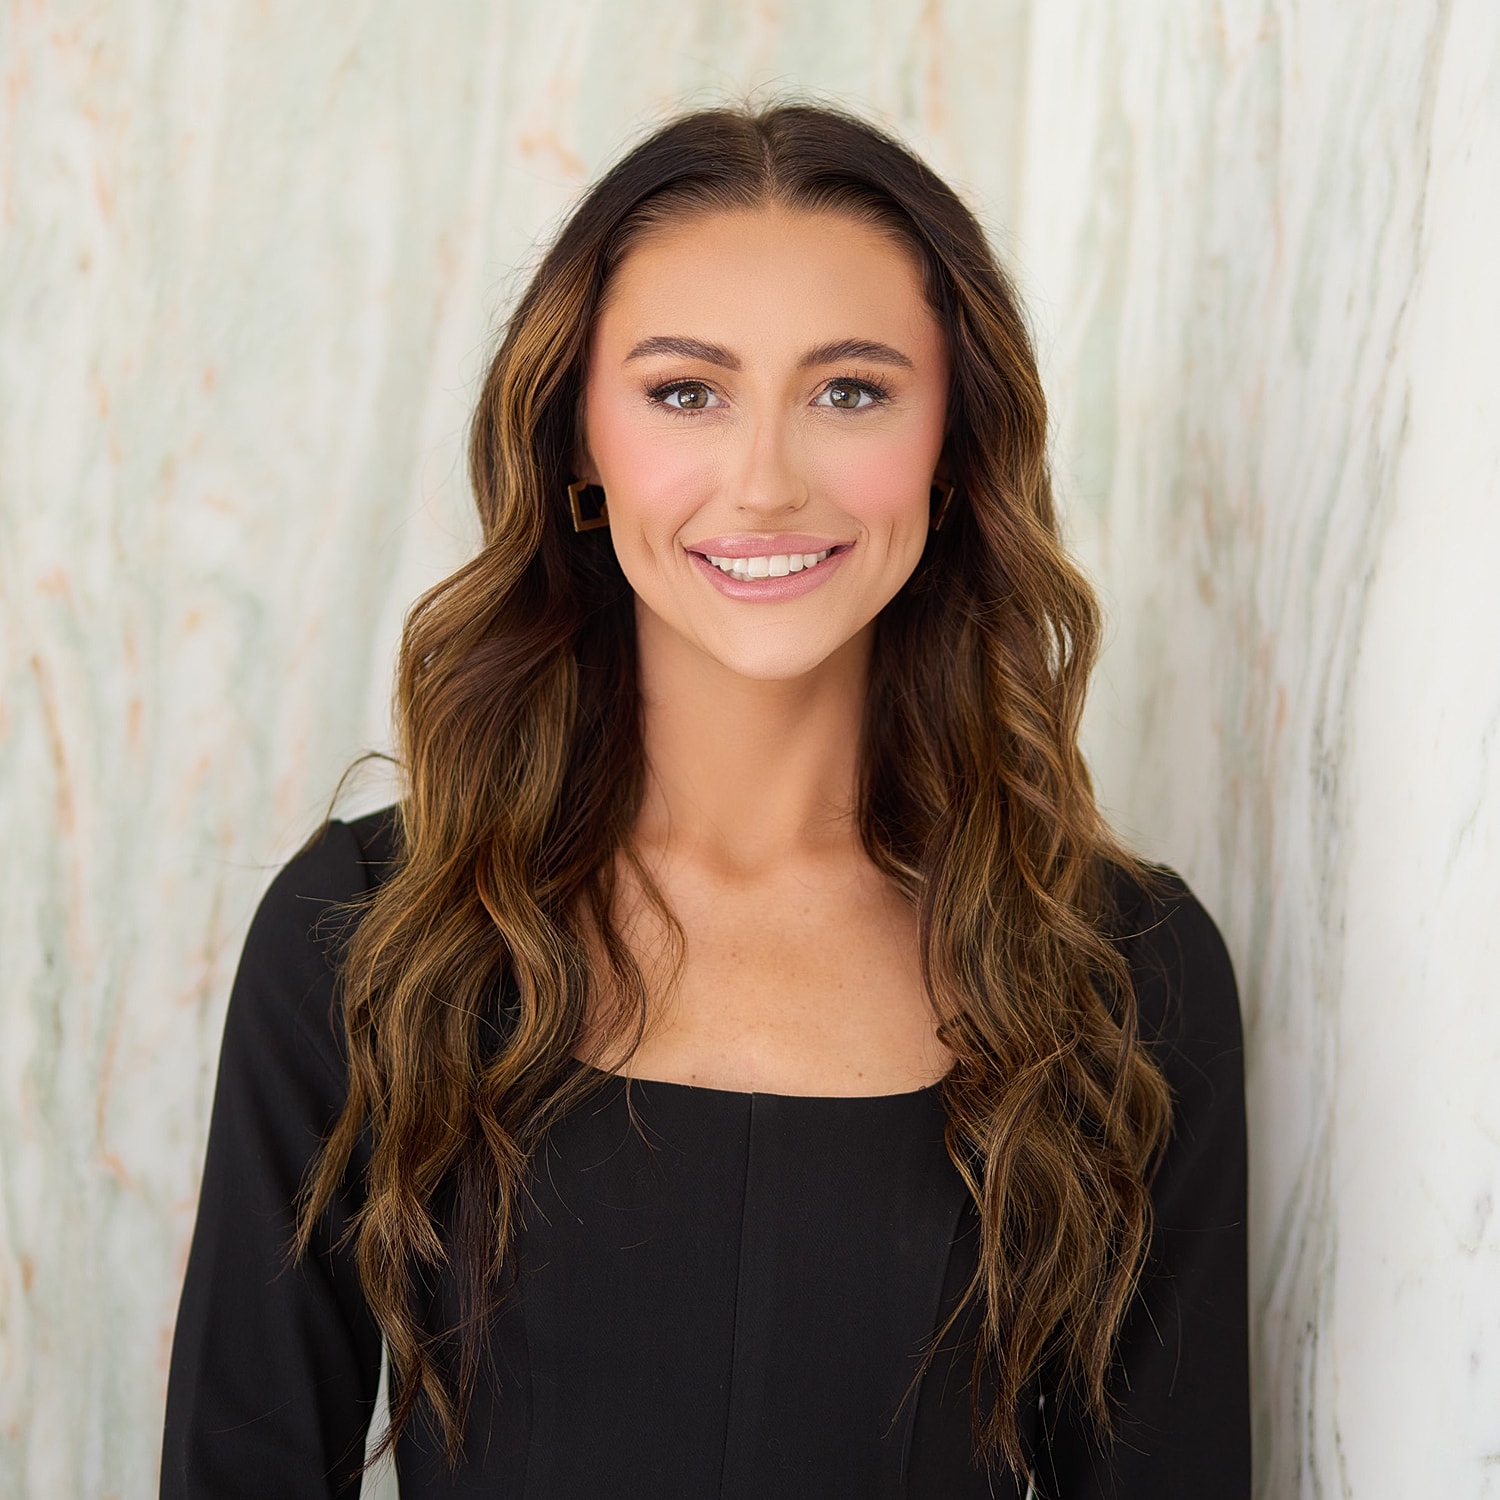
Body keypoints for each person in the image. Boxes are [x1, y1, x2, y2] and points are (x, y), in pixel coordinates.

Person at [159, 103, 1249, 1498]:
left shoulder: (1126, 974)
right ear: (578, 445)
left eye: (851, 391)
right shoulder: (364, 934)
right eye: (687, 392)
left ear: (956, 449)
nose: (767, 480)